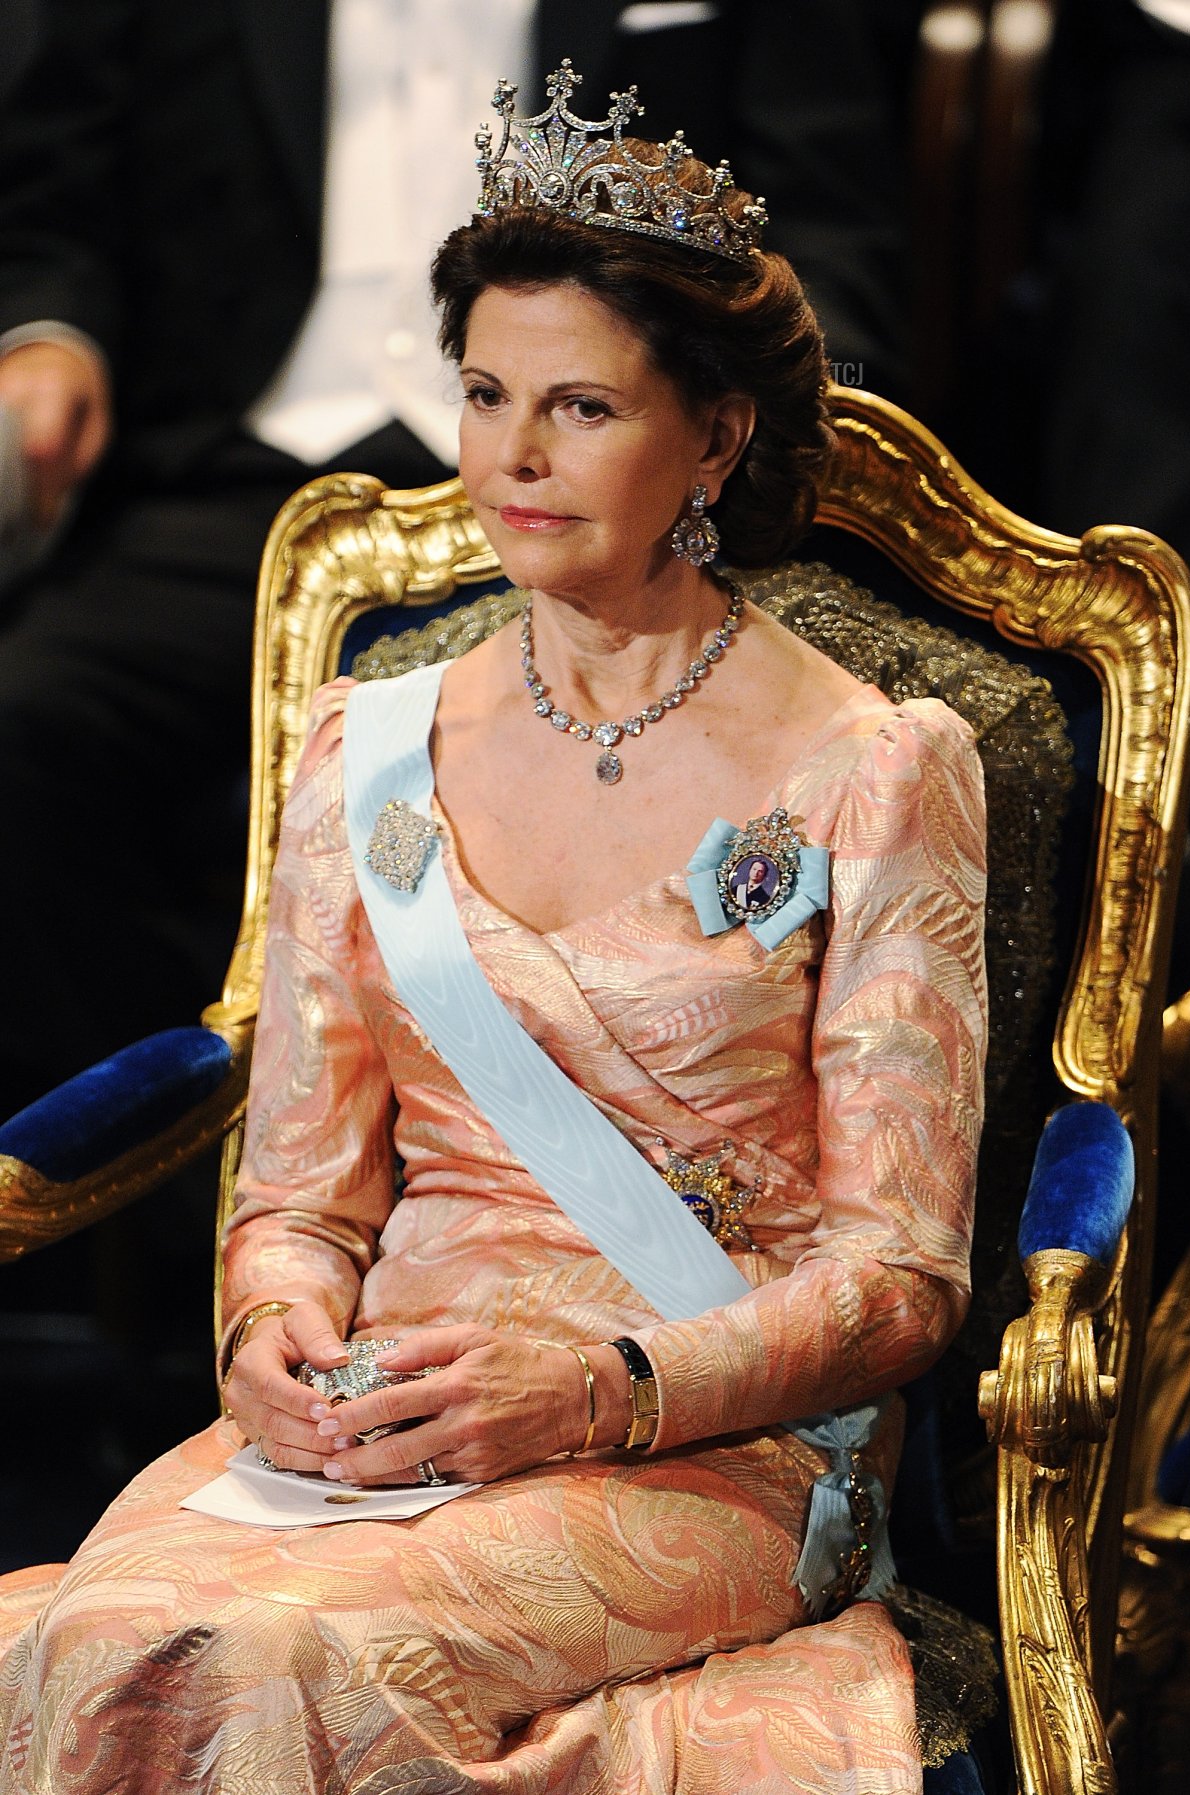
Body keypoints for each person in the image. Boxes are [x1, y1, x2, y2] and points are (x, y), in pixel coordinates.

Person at [0, 63, 985, 1795]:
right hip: (367, 1430)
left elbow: (901, 1282)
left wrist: (598, 1387)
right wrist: (272, 1336)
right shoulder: (364, 743)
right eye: (481, 395)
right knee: (104, 1638)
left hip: (703, 1439)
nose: (511, 461)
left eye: (583, 410)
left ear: (718, 434)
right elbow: (302, 1193)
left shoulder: (877, 764)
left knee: (298, 1654)